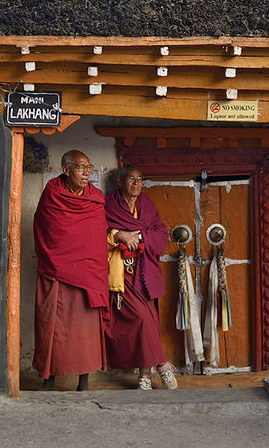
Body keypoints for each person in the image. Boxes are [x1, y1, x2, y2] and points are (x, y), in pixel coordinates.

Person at [32, 150, 108, 391]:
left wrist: (87, 266)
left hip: (87, 275)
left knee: (85, 331)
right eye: (80, 167)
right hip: (56, 274)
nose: (86, 172)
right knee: (50, 326)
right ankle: (49, 378)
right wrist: (60, 262)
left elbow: (95, 238)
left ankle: (84, 380)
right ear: (65, 170)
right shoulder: (52, 195)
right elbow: (46, 232)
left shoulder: (95, 199)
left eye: (88, 167)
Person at [104, 165, 179, 390]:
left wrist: (136, 235)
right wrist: (117, 235)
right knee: (143, 320)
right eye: (131, 179)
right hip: (121, 273)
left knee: (150, 323)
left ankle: (144, 377)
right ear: (120, 181)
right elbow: (97, 230)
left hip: (145, 271)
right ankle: (163, 365)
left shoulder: (146, 204)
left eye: (139, 179)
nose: (136, 184)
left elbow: (160, 232)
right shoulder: (109, 204)